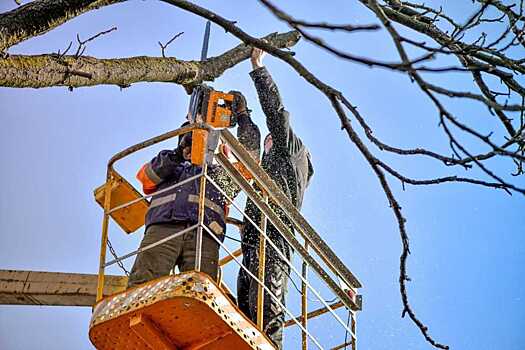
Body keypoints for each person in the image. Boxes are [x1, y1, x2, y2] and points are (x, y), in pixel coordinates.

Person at [127, 93, 260, 289]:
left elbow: (250, 160)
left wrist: (242, 116)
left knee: (201, 291)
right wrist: (179, 155)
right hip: (164, 226)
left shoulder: (222, 174)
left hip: (205, 232)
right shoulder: (169, 163)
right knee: (143, 285)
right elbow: (147, 178)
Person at [237, 48, 314, 348]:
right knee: (244, 308)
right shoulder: (270, 169)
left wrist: (259, 69)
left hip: (275, 239)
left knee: (267, 311)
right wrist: (242, 117)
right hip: (255, 240)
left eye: (270, 140)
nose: (266, 143)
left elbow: (276, 114)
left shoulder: (292, 152)